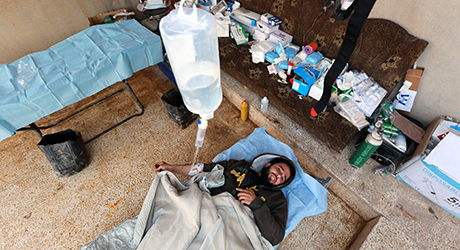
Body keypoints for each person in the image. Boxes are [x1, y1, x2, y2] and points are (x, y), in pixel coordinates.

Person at [154, 153, 296, 246]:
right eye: (279, 170)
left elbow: (275, 237)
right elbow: (203, 169)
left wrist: (257, 204)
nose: (278, 176)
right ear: (268, 165)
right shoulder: (240, 165)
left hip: (232, 225)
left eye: (282, 178)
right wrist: (171, 168)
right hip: (205, 205)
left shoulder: (277, 199)